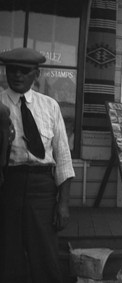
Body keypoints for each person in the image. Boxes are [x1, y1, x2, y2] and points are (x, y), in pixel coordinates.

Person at [0, 47, 75, 282]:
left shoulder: (50, 106)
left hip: (42, 187)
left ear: (37, 74)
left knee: (45, 255)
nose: (17, 76)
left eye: (24, 71)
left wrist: (63, 203)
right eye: (12, 70)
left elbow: (63, 156)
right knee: (8, 253)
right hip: (7, 185)